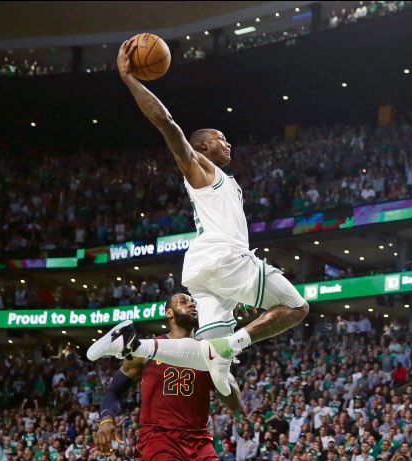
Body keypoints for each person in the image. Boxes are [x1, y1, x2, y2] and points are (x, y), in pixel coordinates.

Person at [88, 38, 309, 396]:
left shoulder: (221, 180)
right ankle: (233, 346)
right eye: (221, 139)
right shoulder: (200, 167)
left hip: (202, 270)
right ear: (203, 146)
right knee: (297, 308)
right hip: (225, 256)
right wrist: (131, 79)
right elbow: (167, 124)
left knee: (207, 356)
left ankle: (132, 343)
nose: (228, 144)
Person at [94, 293, 239, 461]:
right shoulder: (146, 350)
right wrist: (106, 419)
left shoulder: (210, 350)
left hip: (200, 442)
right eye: (183, 301)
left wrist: (221, 371)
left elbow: (234, 403)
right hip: (160, 439)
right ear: (169, 313)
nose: (191, 304)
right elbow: (113, 391)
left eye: (193, 302)